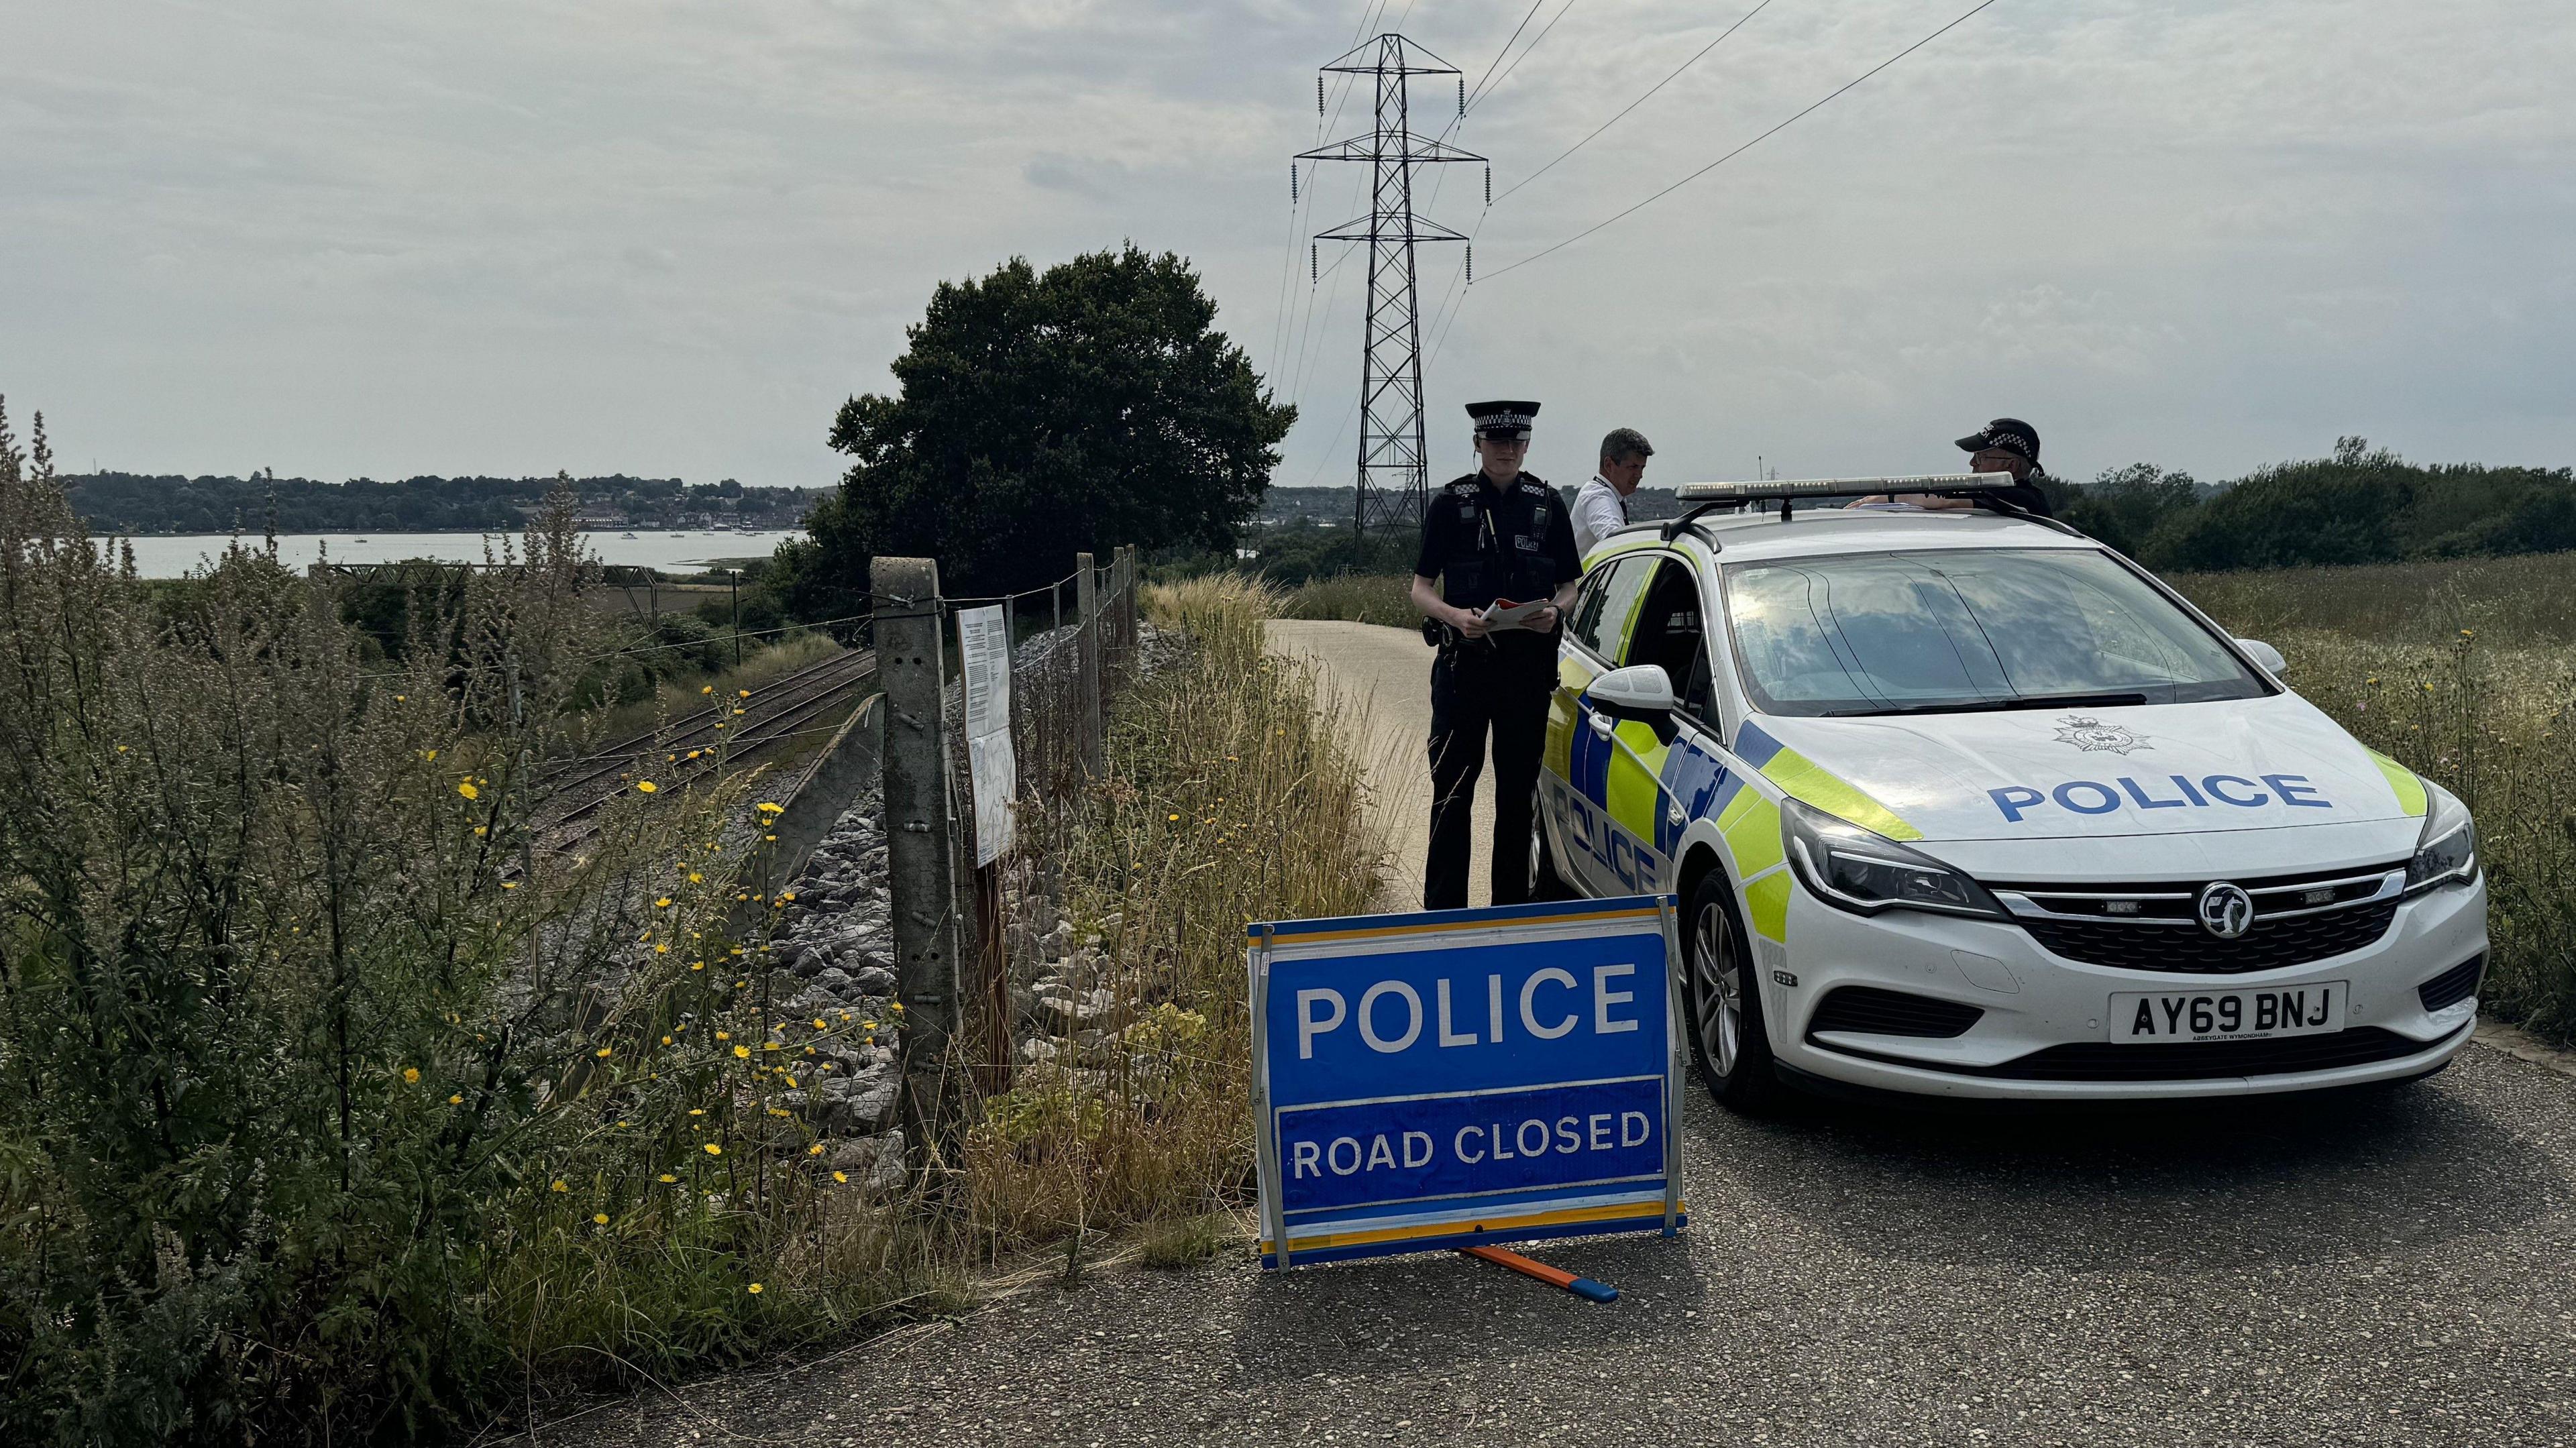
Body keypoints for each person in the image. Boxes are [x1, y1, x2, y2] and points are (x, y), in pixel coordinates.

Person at [1409, 400, 1582, 910]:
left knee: (1515, 799)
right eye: (1495, 441)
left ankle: (1509, 915)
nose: (1505, 450)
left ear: (1526, 445)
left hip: (1525, 674)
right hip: (1464, 670)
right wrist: (1453, 616)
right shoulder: (1450, 504)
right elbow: (1420, 588)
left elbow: (1570, 586)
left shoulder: (1547, 504)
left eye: (1514, 441)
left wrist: (1554, 610)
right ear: (1478, 444)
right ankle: (1443, 917)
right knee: (1453, 793)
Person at [1849, 416, 2057, 516]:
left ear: (2010, 466)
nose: (1972, 463)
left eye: (1981, 457)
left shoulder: (2022, 499)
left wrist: (1887, 498)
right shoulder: (1999, 496)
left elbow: (1945, 501)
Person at [1571, 427, 1654, 555]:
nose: (1639, 475)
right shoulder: (1597, 497)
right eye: (1633, 467)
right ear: (1609, 465)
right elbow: (1615, 541)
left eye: (1642, 468)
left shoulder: (1608, 495)